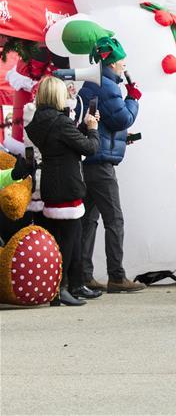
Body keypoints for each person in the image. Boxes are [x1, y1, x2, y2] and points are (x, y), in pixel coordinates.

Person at [75, 37, 144, 295]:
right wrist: (133, 98)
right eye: (122, 61)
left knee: (89, 220)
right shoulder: (109, 86)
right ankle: (117, 276)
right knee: (114, 219)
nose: (125, 65)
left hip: (89, 161)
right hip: (102, 165)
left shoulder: (92, 83)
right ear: (113, 63)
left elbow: (102, 122)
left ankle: (83, 274)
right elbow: (122, 118)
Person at [25, 76, 100, 306]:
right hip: (66, 186)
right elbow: (90, 148)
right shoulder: (60, 122)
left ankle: (66, 286)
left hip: (50, 184)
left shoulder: (37, 121)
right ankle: (61, 288)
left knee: (61, 239)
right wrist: (93, 129)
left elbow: (63, 143)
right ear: (57, 95)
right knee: (69, 240)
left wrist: (80, 128)